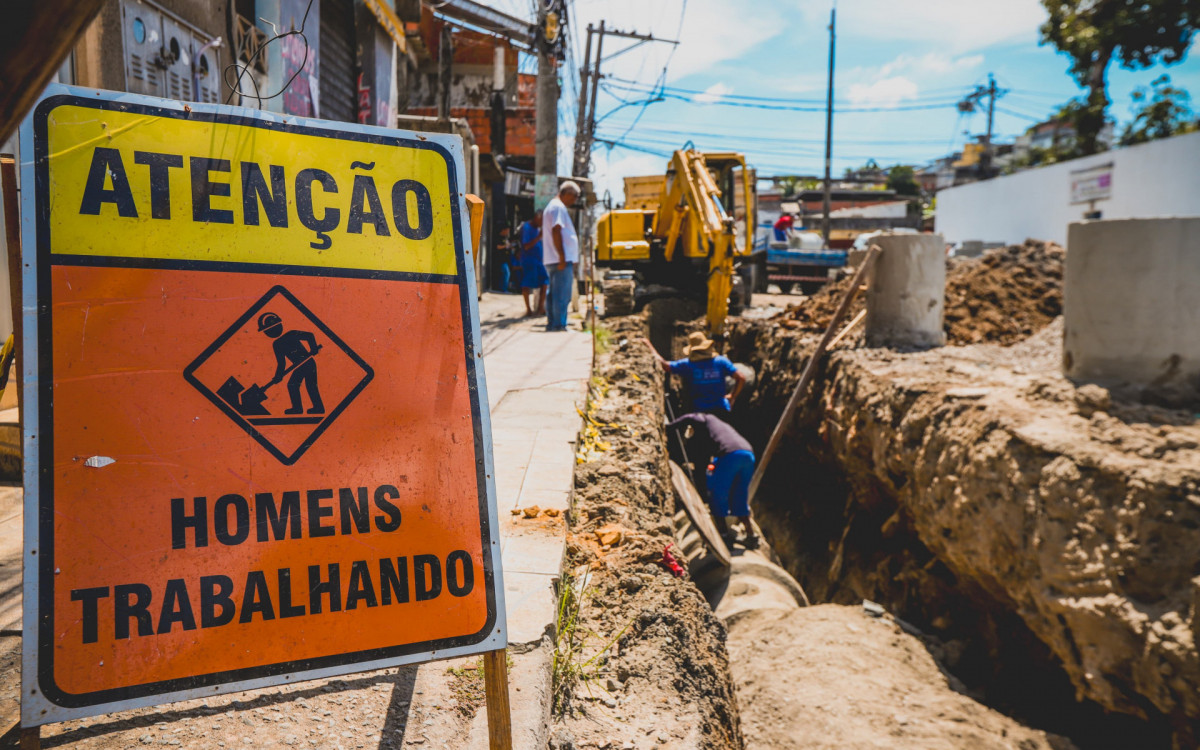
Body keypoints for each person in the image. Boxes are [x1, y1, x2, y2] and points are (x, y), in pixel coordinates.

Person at [666, 411, 760, 549]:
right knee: (739, 494)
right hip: (748, 454)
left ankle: (723, 535)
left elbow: (691, 417)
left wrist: (670, 426)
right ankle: (751, 536)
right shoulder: (720, 427)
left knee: (716, 493)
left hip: (729, 455)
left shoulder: (706, 418)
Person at [645, 332, 746, 416]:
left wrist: (648, 344)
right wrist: (733, 396)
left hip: (700, 411)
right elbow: (741, 378)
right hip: (721, 409)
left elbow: (665, 366)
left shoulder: (688, 365)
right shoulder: (721, 362)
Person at [259, 312, 324, 415]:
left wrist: (313, 348)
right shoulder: (277, 344)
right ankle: (298, 409)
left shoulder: (291, 334)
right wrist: (278, 376)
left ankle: (318, 408)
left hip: (307, 362)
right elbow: (281, 363)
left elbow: (310, 336)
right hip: (300, 365)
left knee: (310, 385)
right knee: (293, 385)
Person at [542, 181, 581, 331]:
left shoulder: (552, 206)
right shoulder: (558, 207)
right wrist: (562, 257)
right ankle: (559, 325)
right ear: (567, 193)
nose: (575, 200)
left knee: (553, 293)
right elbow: (556, 230)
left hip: (553, 258)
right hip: (559, 259)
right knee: (561, 294)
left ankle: (553, 323)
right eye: (575, 196)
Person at [518, 212, 547, 315]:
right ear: (536, 218)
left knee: (544, 283)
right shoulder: (527, 228)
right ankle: (528, 309)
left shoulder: (537, 229)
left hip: (539, 261)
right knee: (526, 284)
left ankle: (541, 307)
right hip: (529, 261)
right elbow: (526, 246)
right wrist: (539, 237)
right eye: (541, 220)